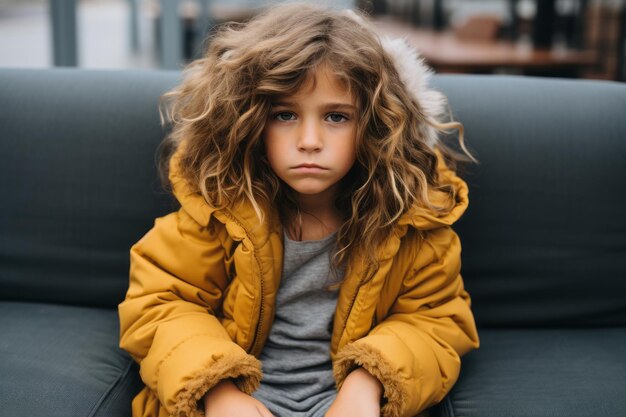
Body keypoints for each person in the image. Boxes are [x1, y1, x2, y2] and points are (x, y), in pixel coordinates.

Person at [118, 4, 480, 417]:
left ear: (377, 125)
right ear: (250, 120)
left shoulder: (412, 221)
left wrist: (368, 385)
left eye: (336, 116)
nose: (310, 140)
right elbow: (162, 305)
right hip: (229, 399)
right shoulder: (216, 210)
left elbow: (435, 322)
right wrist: (218, 392)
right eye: (285, 115)